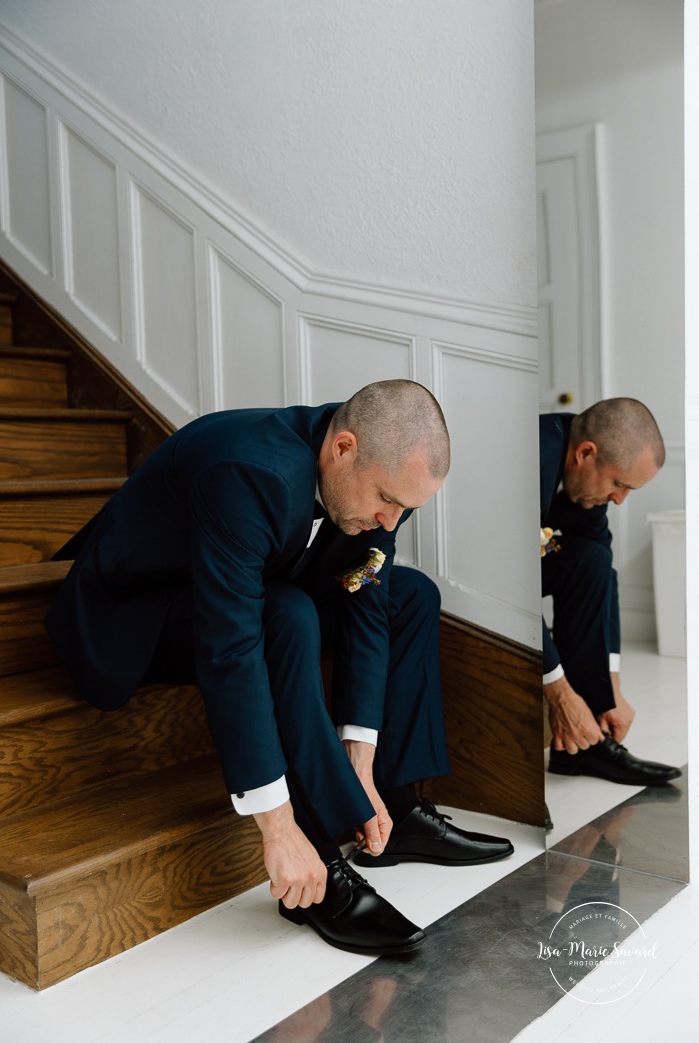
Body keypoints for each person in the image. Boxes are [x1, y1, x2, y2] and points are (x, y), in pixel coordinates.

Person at [45, 379, 514, 958]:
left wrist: (360, 767)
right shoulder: (251, 470)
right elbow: (231, 648)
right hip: (134, 612)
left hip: (246, 588)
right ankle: (318, 878)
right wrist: (277, 825)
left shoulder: (379, 485)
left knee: (410, 593)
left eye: (406, 509)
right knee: (286, 615)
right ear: (343, 448)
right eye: (387, 501)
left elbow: (366, 602)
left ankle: (397, 804)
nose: (391, 523)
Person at [541, 398, 681, 786]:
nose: (620, 499)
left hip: (530, 559)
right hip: (490, 568)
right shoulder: (534, 460)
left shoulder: (586, 482)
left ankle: (582, 750)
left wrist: (611, 693)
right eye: (619, 484)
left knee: (592, 559)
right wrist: (560, 694)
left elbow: (604, 571)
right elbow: (511, 581)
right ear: (585, 453)